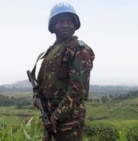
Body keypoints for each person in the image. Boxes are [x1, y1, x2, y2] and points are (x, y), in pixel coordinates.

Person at [32, 2, 95, 141]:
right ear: (53, 25)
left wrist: (56, 116)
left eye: (69, 21)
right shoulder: (51, 51)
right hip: (52, 119)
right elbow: (47, 84)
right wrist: (37, 98)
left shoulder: (78, 49)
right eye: (61, 21)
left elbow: (77, 89)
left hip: (68, 122)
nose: (66, 25)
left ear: (75, 25)